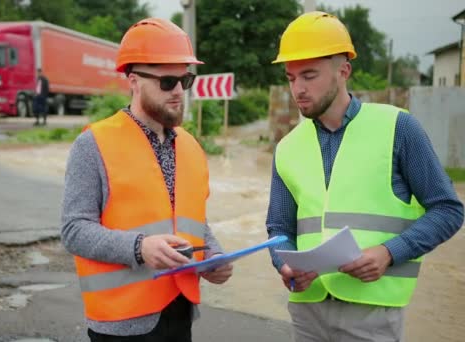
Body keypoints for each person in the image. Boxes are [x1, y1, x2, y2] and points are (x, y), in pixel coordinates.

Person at [266, 11, 464, 342]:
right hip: (307, 311)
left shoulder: (399, 128)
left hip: (372, 312)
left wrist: (390, 252)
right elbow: (280, 229)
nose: (297, 89)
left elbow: (448, 209)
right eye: (290, 77)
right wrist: (284, 265)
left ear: (343, 71)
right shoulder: (287, 148)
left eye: (309, 75)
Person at [61, 18, 233, 342]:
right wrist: (139, 248)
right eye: (168, 81)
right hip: (121, 324)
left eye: (186, 79)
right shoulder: (93, 144)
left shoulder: (191, 147)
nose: (179, 91)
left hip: (180, 312)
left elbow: (194, 220)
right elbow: (74, 229)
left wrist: (213, 255)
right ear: (134, 81)